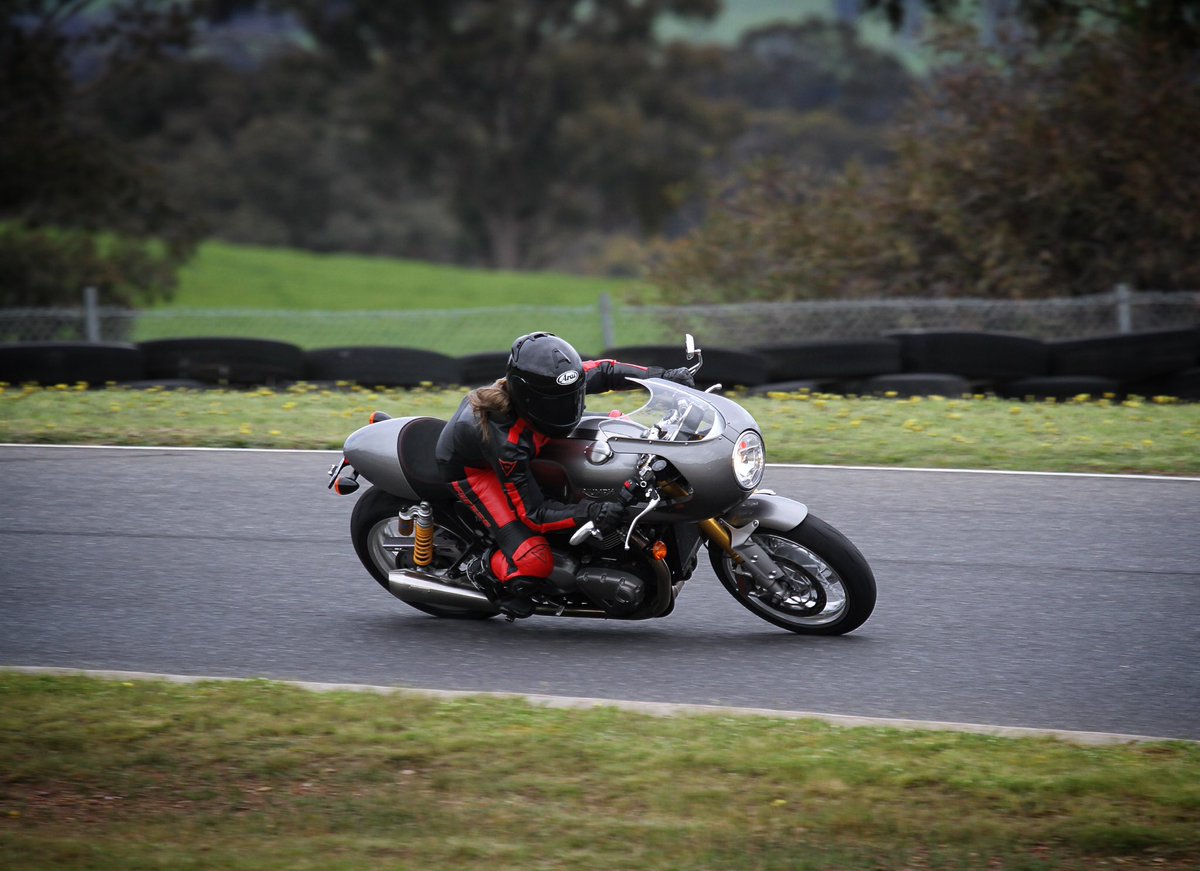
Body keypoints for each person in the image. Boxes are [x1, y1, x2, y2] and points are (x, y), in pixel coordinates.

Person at [435, 332, 694, 618]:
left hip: (537, 437)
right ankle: (484, 570)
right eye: (556, 402)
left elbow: (606, 371)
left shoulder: (558, 384)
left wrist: (665, 377)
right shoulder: (508, 442)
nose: (569, 405)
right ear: (530, 398)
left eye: (572, 397)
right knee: (533, 561)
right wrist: (591, 511)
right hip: (475, 471)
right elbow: (534, 514)